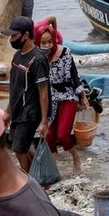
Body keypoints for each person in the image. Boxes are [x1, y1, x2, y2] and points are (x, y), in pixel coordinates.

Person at [37, 22, 88, 175]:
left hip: (67, 94)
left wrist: (83, 96)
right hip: (50, 98)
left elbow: (74, 75)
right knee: (49, 135)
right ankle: (54, 167)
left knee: (63, 134)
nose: (47, 45)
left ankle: (75, 158)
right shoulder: (38, 58)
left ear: (54, 40)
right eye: (43, 42)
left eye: (49, 41)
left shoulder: (65, 52)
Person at [1, 16, 50, 173]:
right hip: (17, 110)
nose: (12, 39)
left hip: (29, 112)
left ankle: (27, 181)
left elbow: (43, 91)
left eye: (14, 36)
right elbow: (14, 86)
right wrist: (8, 111)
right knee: (20, 145)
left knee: (19, 149)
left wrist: (44, 121)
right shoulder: (17, 56)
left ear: (26, 35)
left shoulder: (38, 59)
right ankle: (39, 174)